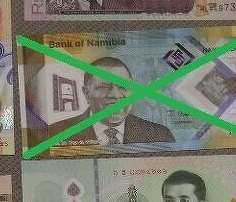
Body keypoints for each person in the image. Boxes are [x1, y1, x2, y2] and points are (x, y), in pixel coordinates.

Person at [47, 56, 175, 147]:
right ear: (86, 93)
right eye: (104, 87)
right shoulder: (54, 135)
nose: (115, 95)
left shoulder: (160, 135)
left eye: (123, 87)